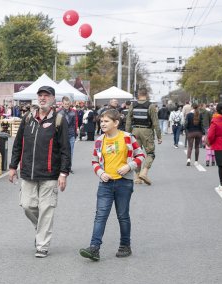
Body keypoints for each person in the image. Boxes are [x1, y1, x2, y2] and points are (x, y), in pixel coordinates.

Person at [8, 85, 71, 258]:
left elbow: (65, 149)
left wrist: (63, 173)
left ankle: (42, 245)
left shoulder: (59, 120)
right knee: (27, 205)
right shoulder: (28, 118)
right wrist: (13, 167)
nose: (43, 98)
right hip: (28, 172)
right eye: (40, 95)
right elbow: (18, 144)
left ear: (53, 99)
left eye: (46, 95)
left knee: (46, 208)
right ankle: (41, 229)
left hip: (50, 174)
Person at [79, 109, 146, 261]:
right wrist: (100, 173)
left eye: (106, 121)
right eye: (101, 121)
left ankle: (125, 245)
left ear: (116, 123)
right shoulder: (99, 140)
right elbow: (95, 161)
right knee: (100, 216)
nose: (102, 124)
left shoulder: (128, 138)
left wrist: (129, 166)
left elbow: (140, 155)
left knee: (122, 215)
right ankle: (94, 248)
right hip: (105, 183)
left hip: (124, 183)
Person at [125, 88, 161, 185]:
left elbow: (128, 121)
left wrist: (127, 134)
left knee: (137, 154)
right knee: (150, 153)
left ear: (138, 95)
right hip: (147, 131)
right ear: (146, 95)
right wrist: (159, 136)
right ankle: (144, 172)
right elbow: (155, 122)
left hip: (135, 130)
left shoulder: (133, 105)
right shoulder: (151, 106)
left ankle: (137, 178)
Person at [59, 96, 79, 167]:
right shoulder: (59, 112)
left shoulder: (74, 112)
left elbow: (75, 123)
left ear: (70, 103)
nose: (67, 105)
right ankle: (62, 166)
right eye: (65, 104)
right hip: (62, 135)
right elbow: (57, 125)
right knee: (61, 151)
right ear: (62, 103)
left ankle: (69, 167)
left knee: (71, 152)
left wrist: (75, 132)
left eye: (68, 104)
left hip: (71, 135)